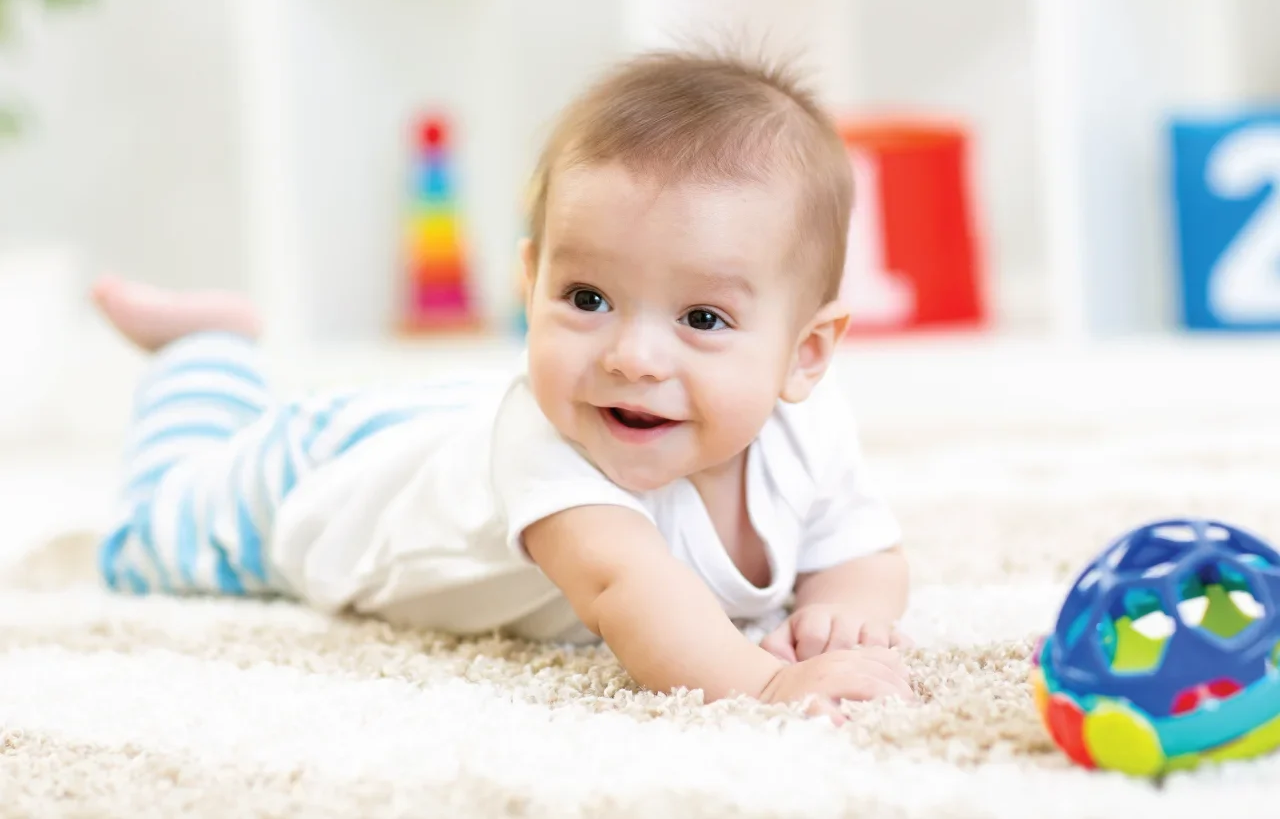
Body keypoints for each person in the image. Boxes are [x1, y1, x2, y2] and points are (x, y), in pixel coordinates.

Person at [93, 49, 914, 723]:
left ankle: (218, 355)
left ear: (805, 354)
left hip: (447, 432)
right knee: (151, 535)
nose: (633, 356)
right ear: (531, 287)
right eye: (587, 300)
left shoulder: (810, 430)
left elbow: (860, 545)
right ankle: (202, 352)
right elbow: (627, 590)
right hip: (321, 480)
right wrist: (767, 685)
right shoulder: (549, 454)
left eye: (702, 318)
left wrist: (849, 608)